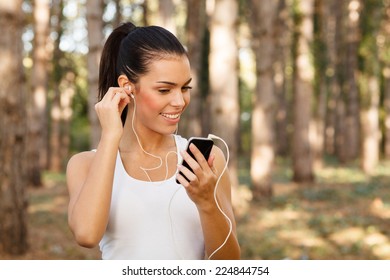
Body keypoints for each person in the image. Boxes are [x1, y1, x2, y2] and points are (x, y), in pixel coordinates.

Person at [66, 22, 240, 260]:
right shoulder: (85, 164)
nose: (180, 101)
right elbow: (86, 235)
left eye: (185, 88)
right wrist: (110, 136)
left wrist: (207, 202)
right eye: (165, 90)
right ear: (128, 86)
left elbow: (229, 264)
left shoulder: (206, 161)